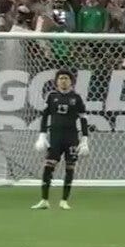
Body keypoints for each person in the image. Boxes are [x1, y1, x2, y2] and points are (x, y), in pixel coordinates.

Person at [33, 70, 88, 210]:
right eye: (61, 78)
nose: (63, 81)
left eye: (66, 78)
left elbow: (83, 119)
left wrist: (85, 139)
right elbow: (45, 116)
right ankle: (44, 200)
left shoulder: (76, 98)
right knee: (48, 167)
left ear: (71, 81)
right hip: (55, 137)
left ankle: (64, 200)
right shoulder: (51, 97)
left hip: (71, 138)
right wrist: (42, 135)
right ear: (57, 81)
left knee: (70, 169)